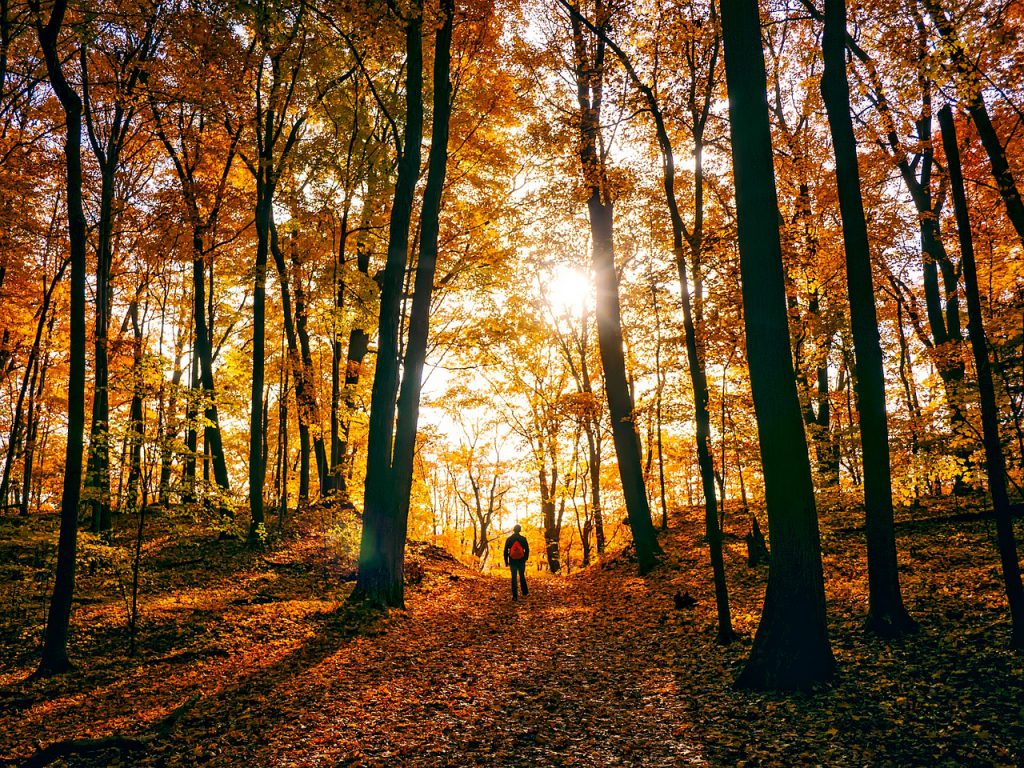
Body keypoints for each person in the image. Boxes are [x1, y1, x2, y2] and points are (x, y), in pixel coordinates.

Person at [503, 524, 530, 601]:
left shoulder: (509, 539)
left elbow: (505, 551)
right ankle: (525, 592)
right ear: (520, 530)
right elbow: (527, 550)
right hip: (521, 560)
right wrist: (525, 558)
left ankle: (515, 596)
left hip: (512, 560)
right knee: (522, 576)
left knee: (514, 578)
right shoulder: (523, 539)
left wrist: (506, 561)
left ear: (513, 530)